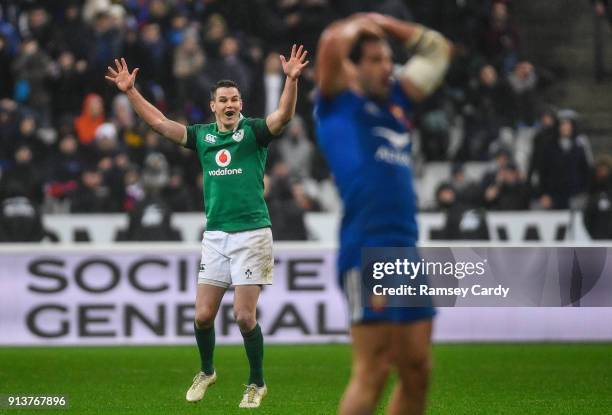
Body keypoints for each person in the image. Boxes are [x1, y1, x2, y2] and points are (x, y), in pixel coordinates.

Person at [105, 45, 309, 408]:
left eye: (235, 99)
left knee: (245, 317)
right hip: (215, 235)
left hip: (252, 233)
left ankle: (256, 383)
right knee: (202, 316)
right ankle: (207, 371)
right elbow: (159, 124)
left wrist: (291, 81)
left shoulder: (254, 133)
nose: (230, 104)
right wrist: (131, 91)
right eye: (223, 100)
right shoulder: (202, 137)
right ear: (212, 105)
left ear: (241, 104)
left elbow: (283, 117)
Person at [315, 13, 451, 414]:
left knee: (417, 368)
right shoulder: (338, 103)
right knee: (373, 369)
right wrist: (360, 24)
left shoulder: (397, 103)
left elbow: (438, 50)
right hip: (367, 248)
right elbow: (329, 44)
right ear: (353, 68)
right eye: (373, 59)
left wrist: (381, 23)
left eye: (388, 59)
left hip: (405, 247)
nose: (386, 67)